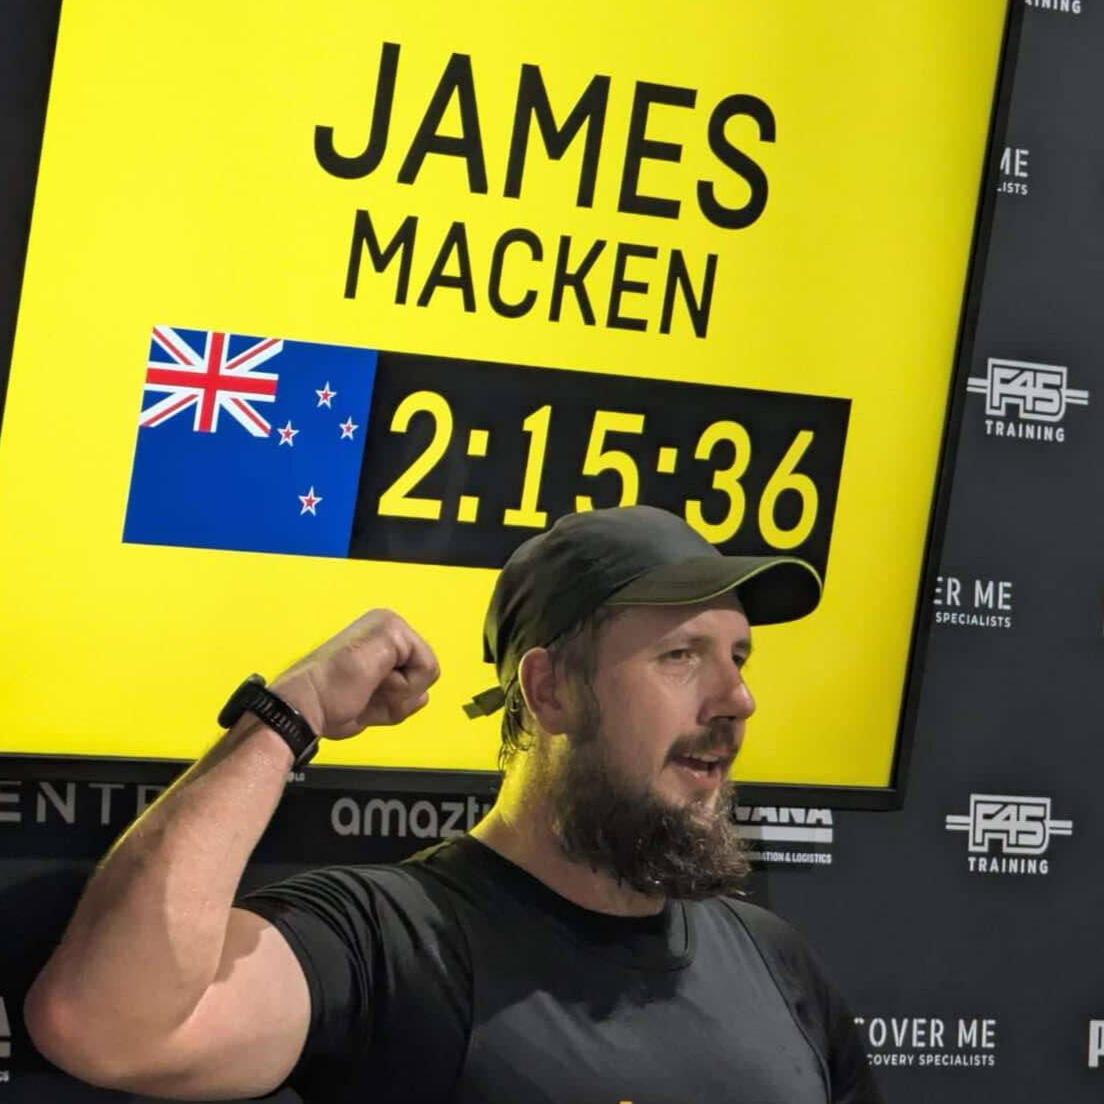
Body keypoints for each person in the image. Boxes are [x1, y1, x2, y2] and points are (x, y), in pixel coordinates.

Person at [25, 505, 883, 1103]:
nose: (737, 700)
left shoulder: (773, 961)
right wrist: (289, 714)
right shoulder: (394, 941)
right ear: (550, 692)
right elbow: (107, 1027)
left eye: (739, 657)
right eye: (681, 657)